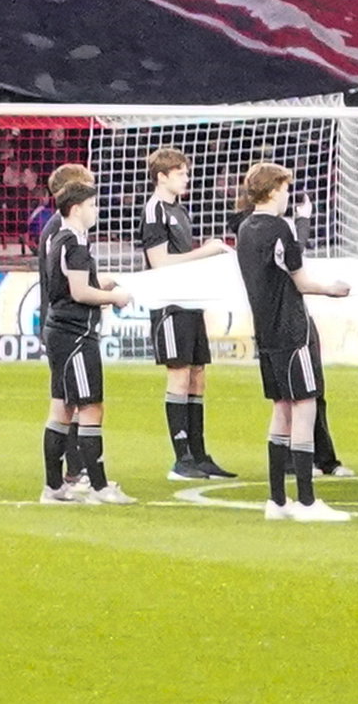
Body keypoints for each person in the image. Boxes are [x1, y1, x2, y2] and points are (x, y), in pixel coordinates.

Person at [233, 155, 358, 521]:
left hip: (265, 331)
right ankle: (306, 501)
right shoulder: (279, 229)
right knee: (304, 407)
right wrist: (332, 289)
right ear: (274, 191)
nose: (288, 195)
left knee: (281, 410)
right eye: (285, 188)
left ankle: (277, 500)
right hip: (292, 329)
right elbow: (301, 281)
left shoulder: (245, 229)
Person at [30, 164, 130, 506]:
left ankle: (53, 486)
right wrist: (114, 297)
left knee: (62, 408)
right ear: (76, 208)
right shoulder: (73, 243)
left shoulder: (60, 238)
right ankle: (99, 486)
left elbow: (69, 283)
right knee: (90, 407)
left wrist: (102, 282)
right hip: (74, 334)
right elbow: (79, 292)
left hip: (60, 330)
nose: (96, 210)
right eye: (92, 204)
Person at [136, 143, 228, 485]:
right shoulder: (154, 211)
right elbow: (159, 262)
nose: (186, 178)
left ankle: (199, 454)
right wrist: (205, 252)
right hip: (169, 304)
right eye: (180, 173)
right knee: (179, 373)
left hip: (189, 300)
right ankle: (181, 459)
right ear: (162, 177)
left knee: (197, 373)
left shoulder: (180, 210)